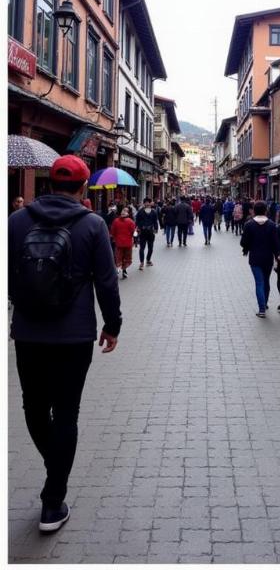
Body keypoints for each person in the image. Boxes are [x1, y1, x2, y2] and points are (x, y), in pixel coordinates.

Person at [8, 154, 121, 533]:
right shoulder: (92, 224)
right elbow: (106, 281)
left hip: (28, 332)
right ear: (83, 185)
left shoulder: (17, 221)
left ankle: (53, 469)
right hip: (74, 336)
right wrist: (113, 324)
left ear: (48, 182)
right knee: (66, 413)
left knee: (34, 408)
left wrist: (21, 305)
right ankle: (52, 501)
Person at [240, 201, 280, 317]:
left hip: (255, 258)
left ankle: (262, 309)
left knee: (259, 282)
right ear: (265, 210)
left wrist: (247, 248)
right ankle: (265, 302)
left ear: (254, 210)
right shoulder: (272, 225)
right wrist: (278, 254)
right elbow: (276, 243)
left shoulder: (249, 225)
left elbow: (243, 242)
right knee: (266, 281)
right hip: (268, 258)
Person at [109, 207, 136, 279]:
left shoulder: (115, 221)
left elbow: (112, 231)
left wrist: (114, 238)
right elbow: (133, 232)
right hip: (128, 243)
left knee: (118, 256)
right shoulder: (131, 221)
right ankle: (124, 270)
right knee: (126, 257)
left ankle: (118, 268)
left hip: (119, 243)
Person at [134, 197, 159, 270]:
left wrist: (156, 228)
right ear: (144, 203)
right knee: (142, 248)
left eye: (149, 202)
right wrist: (138, 227)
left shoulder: (153, 212)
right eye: (146, 202)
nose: (147, 203)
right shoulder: (140, 211)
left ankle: (148, 260)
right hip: (143, 231)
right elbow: (137, 221)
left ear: (150, 203)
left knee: (150, 248)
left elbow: (155, 221)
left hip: (151, 231)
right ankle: (141, 262)